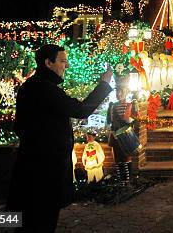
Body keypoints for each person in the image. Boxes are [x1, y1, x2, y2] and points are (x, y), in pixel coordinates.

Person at [7, 44, 112, 232]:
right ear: (48, 62)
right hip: (44, 172)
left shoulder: (32, 87)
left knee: (30, 220)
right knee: (41, 221)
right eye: (62, 61)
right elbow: (81, 110)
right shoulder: (45, 90)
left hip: (34, 167)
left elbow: (20, 126)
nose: (67, 66)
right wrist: (103, 85)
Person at [108, 79, 139, 185]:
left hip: (126, 136)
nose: (118, 94)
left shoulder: (131, 105)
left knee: (126, 157)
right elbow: (110, 122)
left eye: (121, 91)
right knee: (117, 158)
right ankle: (121, 180)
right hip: (116, 135)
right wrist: (112, 132)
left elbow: (135, 120)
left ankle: (127, 180)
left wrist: (129, 119)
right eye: (117, 92)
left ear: (126, 92)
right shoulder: (112, 106)